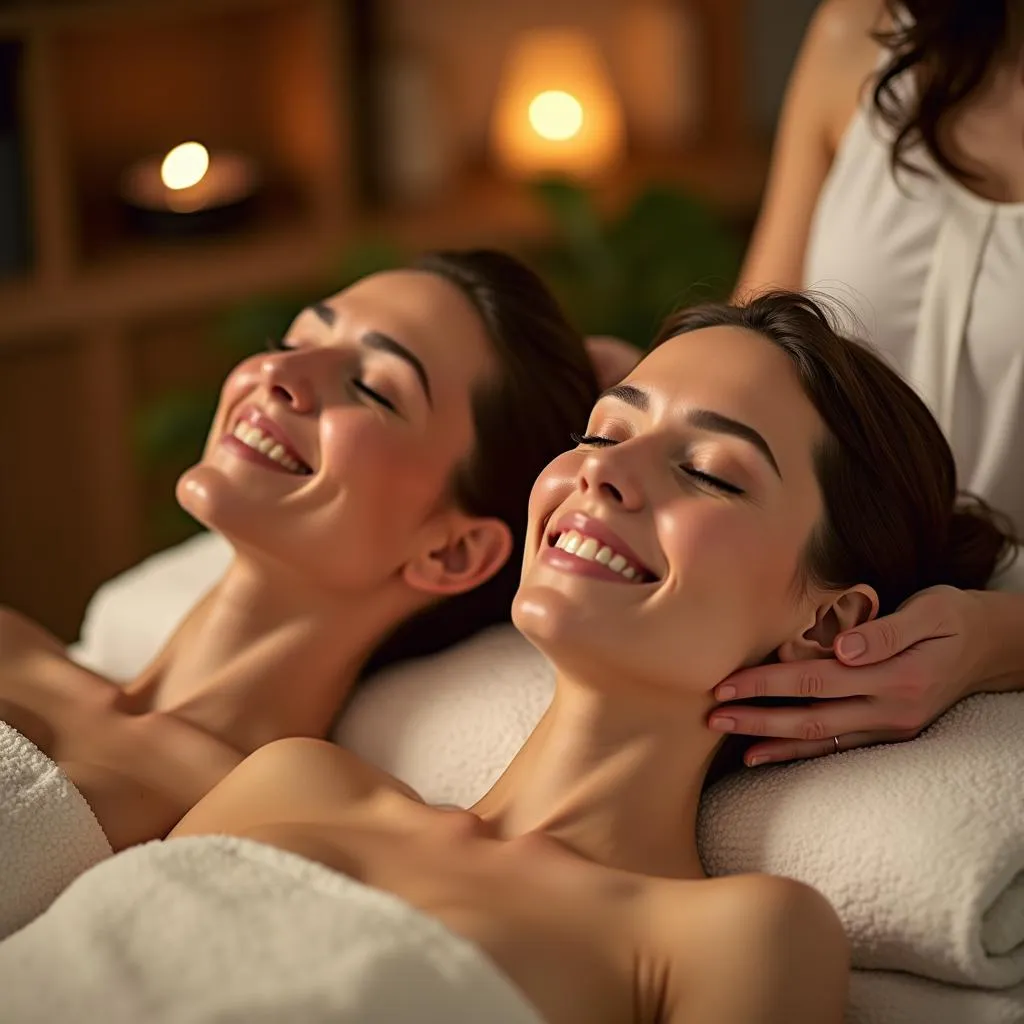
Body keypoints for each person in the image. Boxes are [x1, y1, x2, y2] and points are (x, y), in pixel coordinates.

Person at [113, 290, 1011, 1024]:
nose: (601, 475)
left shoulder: (730, 938)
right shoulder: (292, 783)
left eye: (708, 470)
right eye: (602, 434)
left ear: (827, 622)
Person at [0, 249, 599, 851]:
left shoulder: (273, 828)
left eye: (371, 388)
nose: (276, 376)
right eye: (291, 343)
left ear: (453, 552)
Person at [603, 0, 1024, 767]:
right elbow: (750, 344)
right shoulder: (861, 30)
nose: (599, 468)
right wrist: (629, 401)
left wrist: (1001, 640)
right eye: (598, 438)